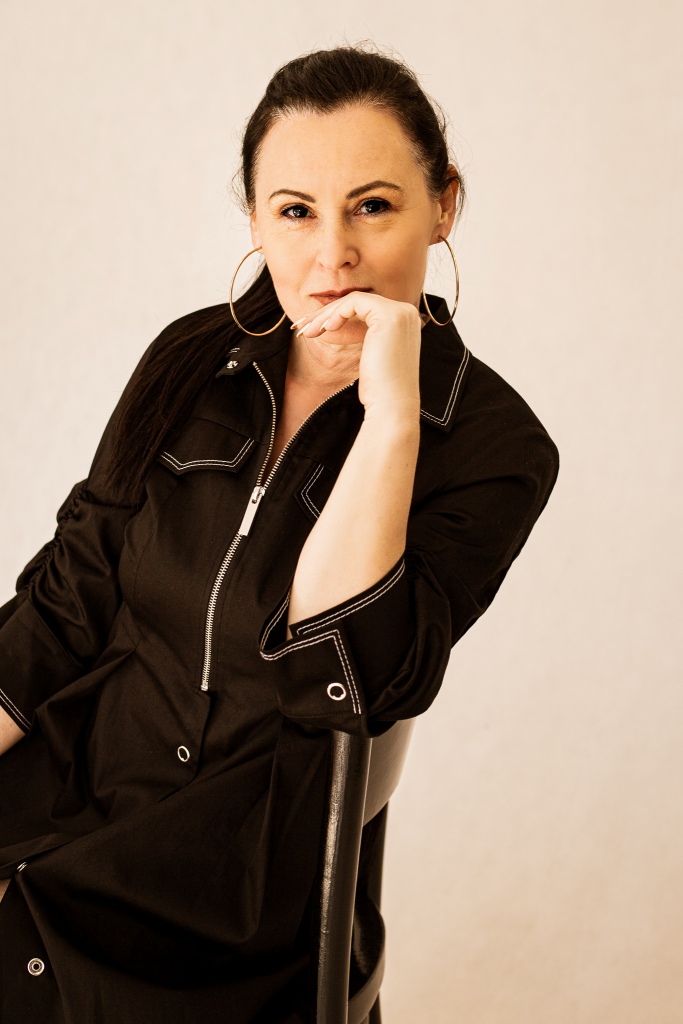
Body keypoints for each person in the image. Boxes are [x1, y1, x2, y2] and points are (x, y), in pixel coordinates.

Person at [0, 43, 559, 1024]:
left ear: (443, 206)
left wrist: (390, 415)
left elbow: (349, 669)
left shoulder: (491, 443)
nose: (331, 256)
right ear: (255, 219)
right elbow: (66, 599)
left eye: (372, 207)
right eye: (295, 211)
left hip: (237, 875)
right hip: (76, 782)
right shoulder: (188, 357)